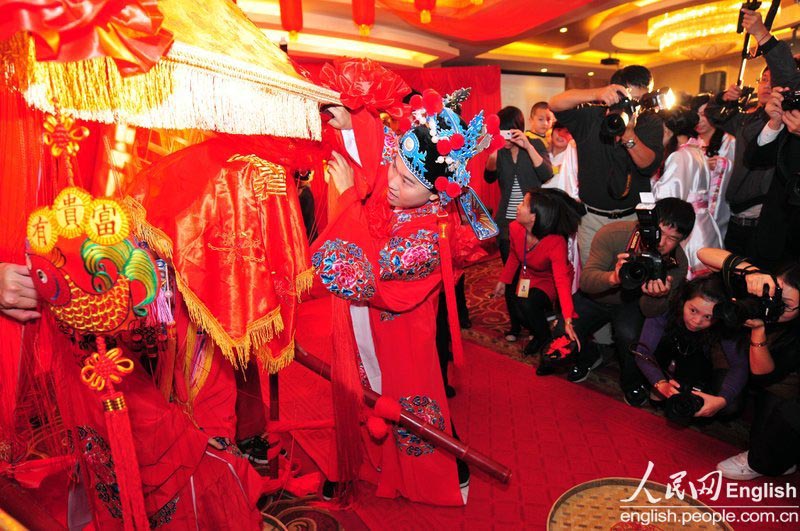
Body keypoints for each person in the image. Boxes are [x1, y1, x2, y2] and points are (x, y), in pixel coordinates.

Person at [312, 91, 497, 505]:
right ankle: (368, 465)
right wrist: (352, 123)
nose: (392, 183)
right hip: (365, 325)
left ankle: (434, 475)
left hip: (399, 331)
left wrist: (345, 199)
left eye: (408, 181)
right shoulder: (401, 178)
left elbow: (369, 274)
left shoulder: (431, 237)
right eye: (395, 169)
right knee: (363, 391)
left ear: (436, 195)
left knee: (406, 399)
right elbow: (383, 152)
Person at [567, 197, 694, 407]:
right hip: (598, 296)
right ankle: (592, 354)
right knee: (563, 335)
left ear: (681, 240)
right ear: (647, 223)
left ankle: (631, 382)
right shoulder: (615, 233)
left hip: (632, 305)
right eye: (659, 232)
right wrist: (614, 277)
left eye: (672, 238)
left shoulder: (677, 263)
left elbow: (650, 312)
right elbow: (587, 283)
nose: (662, 242)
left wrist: (656, 295)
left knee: (631, 338)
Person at [697, 249, 799, 480]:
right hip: (734, 354)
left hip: (777, 379)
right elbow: (704, 254)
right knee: (726, 405)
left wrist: (759, 331)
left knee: (768, 448)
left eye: (787, 305)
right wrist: (750, 272)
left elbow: (764, 375)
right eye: (776, 295)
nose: (774, 305)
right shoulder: (761, 285)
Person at [549, 65, 664, 267]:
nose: (633, 107)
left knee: (630, 276)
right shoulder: (590, 117)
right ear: (612, 92)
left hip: (631, 220)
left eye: (639, 101)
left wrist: (629, 135)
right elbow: (555, 104)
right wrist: (596, 93)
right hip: (592, 219)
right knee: (593, 280)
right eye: (627, 100)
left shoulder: (649, 121)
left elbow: (647, 165)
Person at [633, 275, 746, 421]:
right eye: (693, 310)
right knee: (656, 399)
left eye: (708, 317)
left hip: (700, 362)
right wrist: (660, 383)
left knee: (728, 408)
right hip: (664, 351)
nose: (697, 321)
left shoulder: (726, 323)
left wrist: (722, 399)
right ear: (683, 301)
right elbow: (642, 351)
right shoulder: (666, 307)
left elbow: (740, 365)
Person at [485, 105, 552, 342]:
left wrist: (527, 145)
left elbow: (546, 174)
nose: (505, 136)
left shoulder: (534, 146)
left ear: (518, 129)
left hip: (532, 223)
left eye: (508, 131)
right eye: (500, 131)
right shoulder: (500, 153)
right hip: (506, 223)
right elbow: (489, 177)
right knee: (509, 275)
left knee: (533, 276)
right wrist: (493, 153)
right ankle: (515, 325)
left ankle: (537, 324)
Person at [492, 188, 582, 364]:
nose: (517, 206)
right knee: (519, 308)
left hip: (550, 279)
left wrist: (568, 316)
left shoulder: (555, 241)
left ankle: (543, 337)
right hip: (529, 275)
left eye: (523, 204)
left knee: (528, 302)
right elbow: (514, 255)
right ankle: (543, 328)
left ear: (534, 217)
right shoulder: (515, 228)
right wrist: (504, 279)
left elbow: (561, 281)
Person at [652, 107, 722, 277]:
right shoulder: (696, 150)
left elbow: (667, 198)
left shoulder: (678, 157)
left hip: (686, 226)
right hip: (704, 223)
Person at [691, 94, 734, 240]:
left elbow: (733, 170)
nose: (699, 120)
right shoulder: (691, 141)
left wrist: (719, 166)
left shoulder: (728, 140)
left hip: (718, 206)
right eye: (695, 115)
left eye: (704, 115)